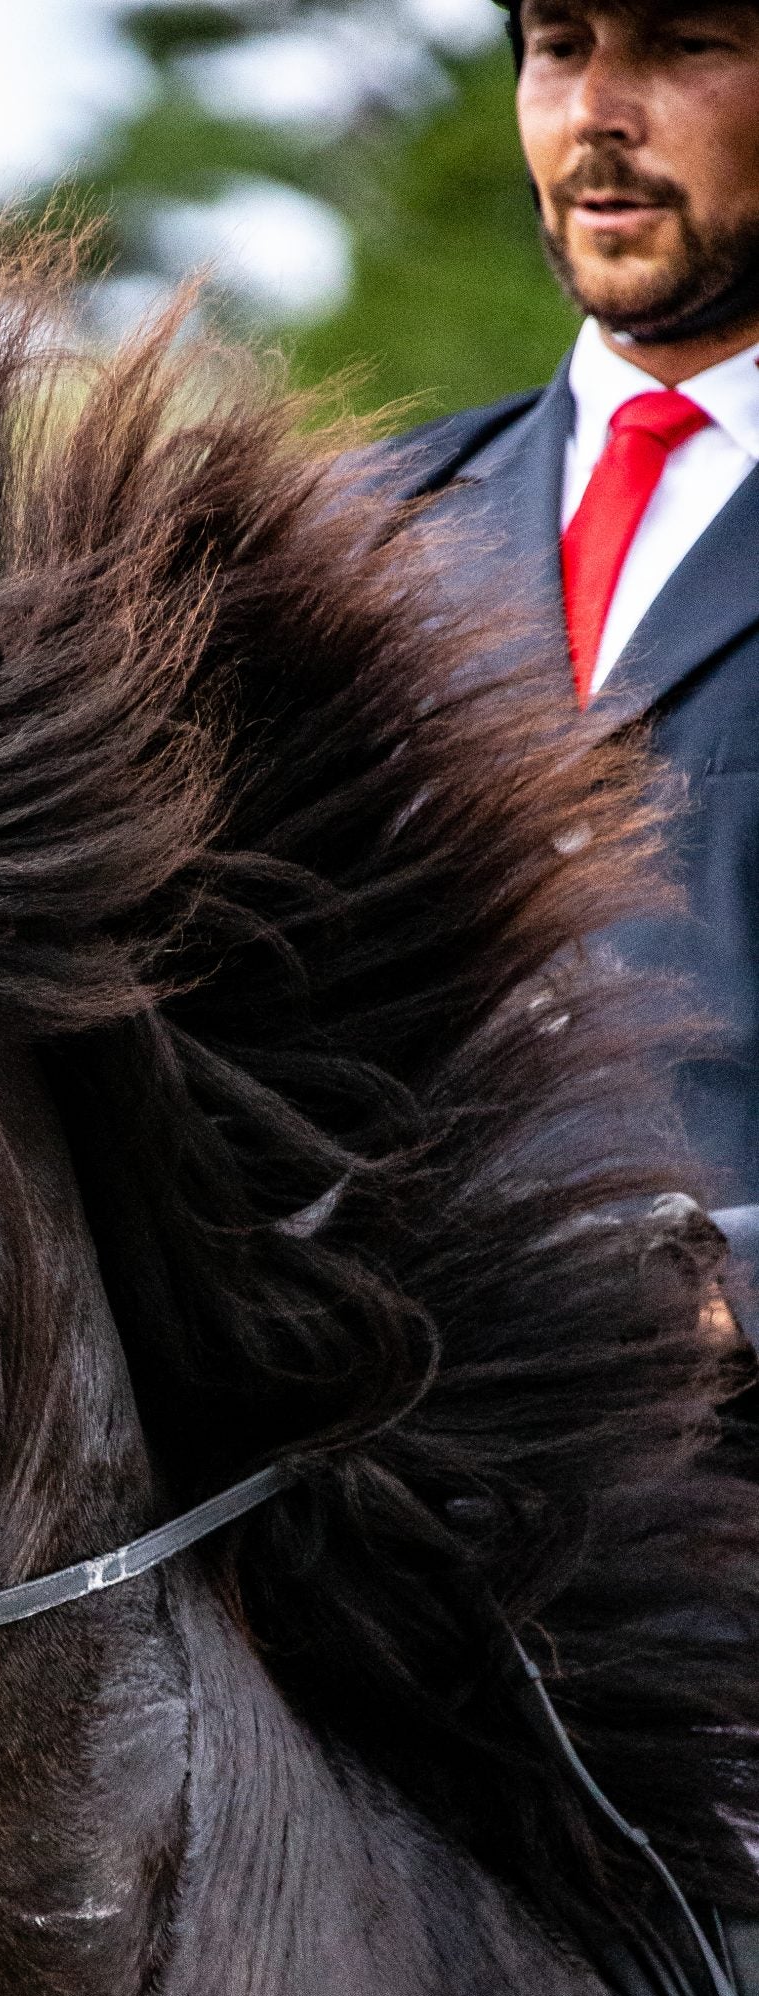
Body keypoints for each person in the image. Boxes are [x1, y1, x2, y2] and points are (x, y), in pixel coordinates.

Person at [389, 0, 759, 1220]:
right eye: (559, 45)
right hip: (414, 1392)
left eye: (684, 43)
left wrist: (740, 1292)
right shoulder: (356, 528)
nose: (596, 112)